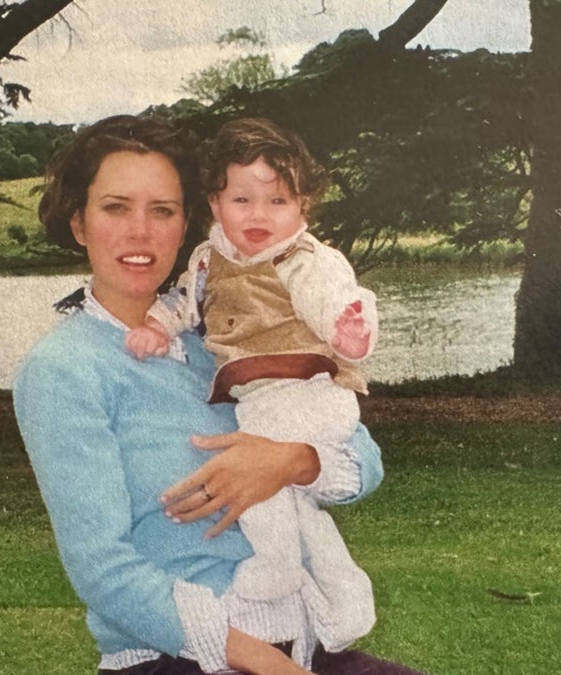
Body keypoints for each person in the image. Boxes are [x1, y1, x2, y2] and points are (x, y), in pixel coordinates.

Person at [13, 114, 419, 675]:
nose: (141, 231)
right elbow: (102, 567)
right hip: (179, 658)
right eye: (115, 208)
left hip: (304, 647)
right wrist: (266, 665)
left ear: (187, 225)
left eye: (163, 210)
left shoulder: (223, 337)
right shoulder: (65, 369)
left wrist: (291, 462)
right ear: (79, 223)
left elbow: (365, 460)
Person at [123, 118, 377, 641]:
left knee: (251, 458)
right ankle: (347, 596)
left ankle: (278, 560)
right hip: (266, 392)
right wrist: (156, 325)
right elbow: (182, 304)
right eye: (242, 201)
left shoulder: (305, 261)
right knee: (291, 499)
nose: (259, 215)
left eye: (277, 201)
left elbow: (334, 299)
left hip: (306, 387)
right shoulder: (206, 260)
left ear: (303, 206)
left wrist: (348, 329)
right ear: (215, 204)